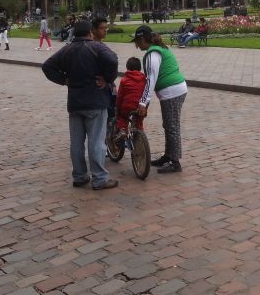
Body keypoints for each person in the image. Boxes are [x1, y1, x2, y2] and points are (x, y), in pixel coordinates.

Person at [42, 20, 119, 190]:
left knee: (76, 143)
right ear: (89, 33)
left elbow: (47, 66)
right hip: (95, 100)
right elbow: (112, 59)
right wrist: (107, 79)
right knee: (96, 142)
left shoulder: (67, 49)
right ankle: (99, 178)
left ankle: (79, 176)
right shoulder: (96, 47)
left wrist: (63, 80)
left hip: (75, 102)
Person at [132, 25, 188, 174]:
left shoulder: (153, 54)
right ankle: (168, 156)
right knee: (169, 125)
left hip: (172, 91)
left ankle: (175, 162)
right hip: (174, 90)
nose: (136, 46)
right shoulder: (157, 49)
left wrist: (143, 102)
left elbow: (151, 80)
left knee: (172, 127)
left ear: (143, 39)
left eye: (137, 41)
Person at [114, 57, 147, 140]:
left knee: (122, 117)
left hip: (127, 106)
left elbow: (120, 96)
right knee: (139, 120)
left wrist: (117, 107)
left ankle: (122, 130)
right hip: (140, 106)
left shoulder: (124, 80)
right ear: (140, 68)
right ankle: (139, 134)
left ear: (127, 68)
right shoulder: (144, 80)